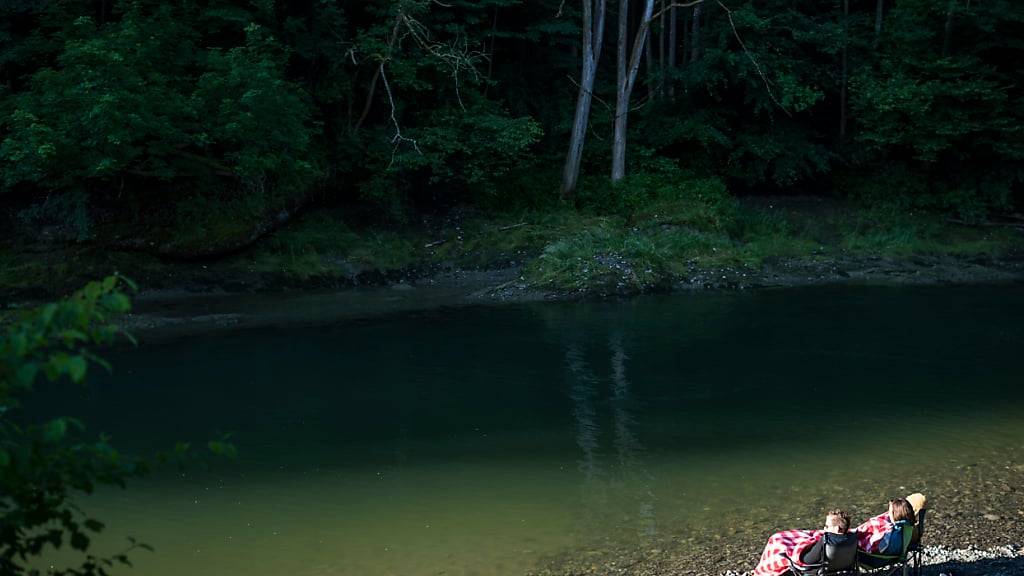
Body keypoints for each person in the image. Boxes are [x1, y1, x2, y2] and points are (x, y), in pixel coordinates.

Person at [752, 509, 853, 576]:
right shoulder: (852, 538)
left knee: (778, 545)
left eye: (826, 526)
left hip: (817, 569)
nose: (824, 528)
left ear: (836, 528)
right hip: (839, 567)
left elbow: (806, 560)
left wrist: (792, 554)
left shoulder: (826, 541)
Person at [855, 496, 919, 556]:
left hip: (879, 559)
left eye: (890, 512)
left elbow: (878, 549)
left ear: (894, 515)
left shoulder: (889, 533)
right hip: (898, 554)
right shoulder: (908, 527)